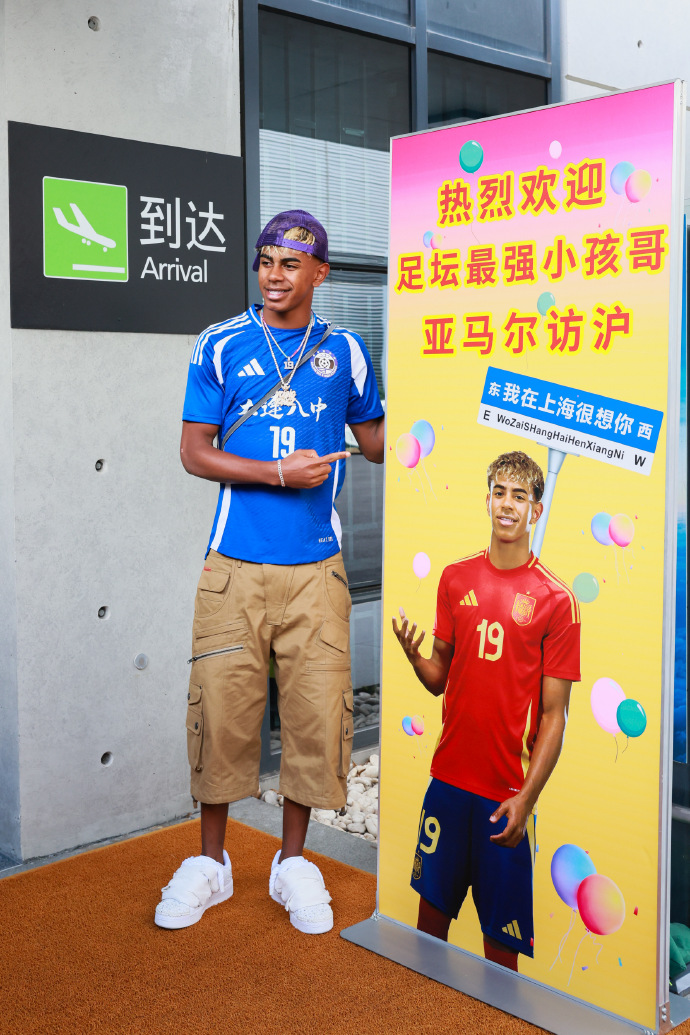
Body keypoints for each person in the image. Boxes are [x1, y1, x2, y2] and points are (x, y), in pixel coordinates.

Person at [155, 210, 384, 934]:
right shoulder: (220, 343)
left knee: (316, 716)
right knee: (221, 713)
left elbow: (378, 442)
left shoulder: (346, 350)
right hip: (234, 566)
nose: (274, 276)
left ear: (321, 272)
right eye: (265, 262)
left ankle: (293, 862)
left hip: (317, 569)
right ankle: (211, 863)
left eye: (290, 263)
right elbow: (194, 452)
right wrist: (279, 472)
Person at [392, 450, 580, 970]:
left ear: (536, 510)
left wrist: (526, 799)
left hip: (504, 797)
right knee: (428, 933)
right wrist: (416, 657)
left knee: (501, 955)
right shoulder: (455, 578)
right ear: (489, 499)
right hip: (448, 784)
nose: (507, 504)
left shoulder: (557, 601)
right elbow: (439, 679)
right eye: (499, 492)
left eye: (519, 496)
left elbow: (555, 716)